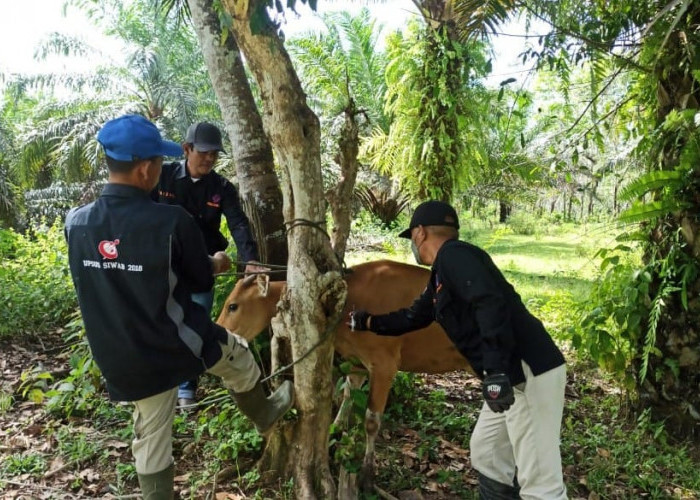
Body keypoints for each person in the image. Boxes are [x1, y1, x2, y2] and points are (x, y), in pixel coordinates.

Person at [64, 114, 294, 499]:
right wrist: (216, 263)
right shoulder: (172, 222)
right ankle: (265, 412)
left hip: (117, 353)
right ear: (146, 168)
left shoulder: (76, 223)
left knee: (151, 435)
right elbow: (201, 279)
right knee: (236, 354)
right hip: (168, 344)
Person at [348, 200, 567, 500]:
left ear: (420, 233)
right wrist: (368, 321)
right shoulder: (441, 275)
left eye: (412, 237)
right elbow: (414, 316)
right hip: (510, 376)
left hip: (527, 371)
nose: (413, 245)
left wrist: (494, 370)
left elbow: (489, 302)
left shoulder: (455, 256)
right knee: (488, 453)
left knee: (541, 483)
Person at [153, 121, 266, 407]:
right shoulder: (162, 177)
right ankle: (160, 383)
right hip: (163, 267)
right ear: (186, 149)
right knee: (162, 322)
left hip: (203, 268)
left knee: (196, 321)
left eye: (215, 153)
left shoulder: (222, 188)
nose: (210, 158)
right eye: (203, 152)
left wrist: (250, 259)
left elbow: (238, 223)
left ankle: (186, 388)